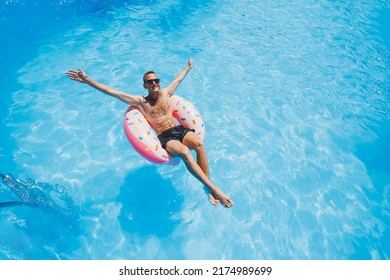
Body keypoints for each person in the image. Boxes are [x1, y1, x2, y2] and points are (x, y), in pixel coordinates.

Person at [66, 58, 234, 208]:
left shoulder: (165, 93)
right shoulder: (141, 101)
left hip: (179, 130)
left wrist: (188, 66)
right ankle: (214, 189)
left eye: (156, 80)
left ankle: (208, 189)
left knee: (198, 143)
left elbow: (178, 79)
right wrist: (88, 81)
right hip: (166, 137)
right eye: (150, 82)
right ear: (144, 85)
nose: (154, 83)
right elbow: (113, 92)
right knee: (183, 152)